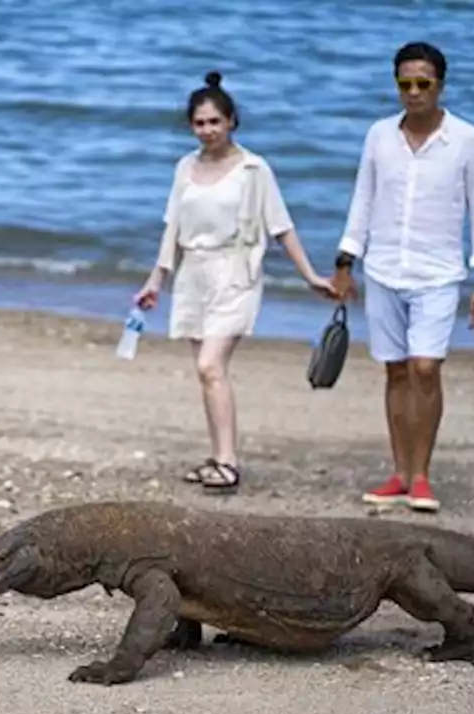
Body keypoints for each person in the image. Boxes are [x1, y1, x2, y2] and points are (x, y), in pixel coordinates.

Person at [135, 70, 338, 495]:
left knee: (211, 365)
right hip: (193, 275)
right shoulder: (185, 167)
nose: (207, 130)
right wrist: (156, 280)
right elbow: (172, 228)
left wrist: (310, 276)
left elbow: (281, 227)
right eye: (200, 123)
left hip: (237, 273)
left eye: (215, 122)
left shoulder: (253, 169)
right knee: (208, 372)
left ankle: (228, 462)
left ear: (231, 122)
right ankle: (217, 456)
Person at [332, 41, 474, 513]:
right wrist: (346, 260)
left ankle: (422, 475)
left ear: (440, 86)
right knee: (395, 369)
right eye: (404, 83)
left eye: (422, 83)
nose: (413, 92)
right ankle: (399, 473)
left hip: (439, 272)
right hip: (383, 267)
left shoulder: (467, 140)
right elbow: (362, 200)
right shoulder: (379, 136)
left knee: (426, 367)